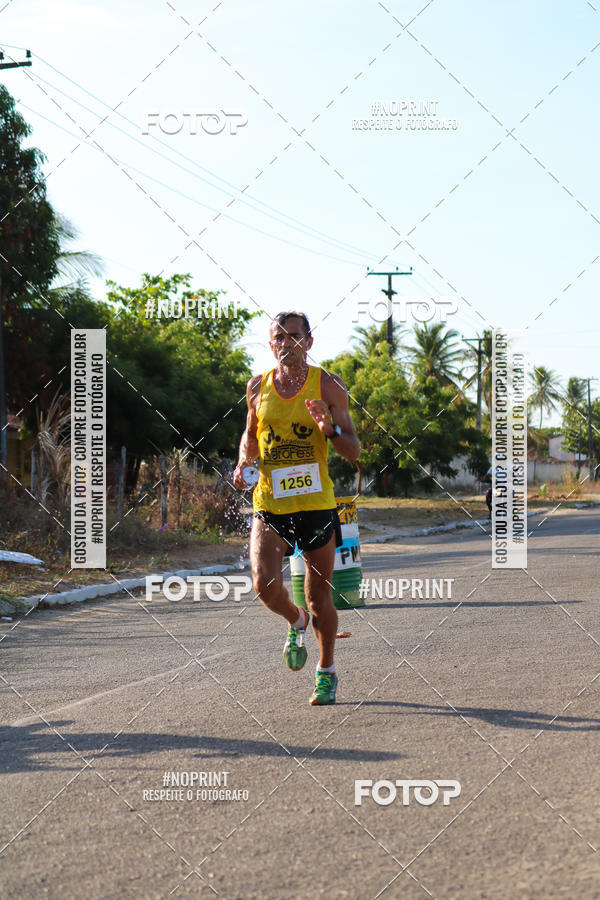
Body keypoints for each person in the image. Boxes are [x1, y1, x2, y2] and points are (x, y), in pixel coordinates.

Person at [233, 312, 361, 705]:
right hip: (270, 504)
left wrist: (330, 430)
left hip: (316, 506)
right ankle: (294, 620)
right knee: (265, 586)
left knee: (319, 598)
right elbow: (250, 436)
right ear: (270, 344)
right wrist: (242, 465)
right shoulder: (258, 387)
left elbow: (353, 451)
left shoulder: (328, 385)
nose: (286, 343)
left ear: (308, 342)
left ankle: (326, 672)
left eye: (294, 336)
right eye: (278, 337)